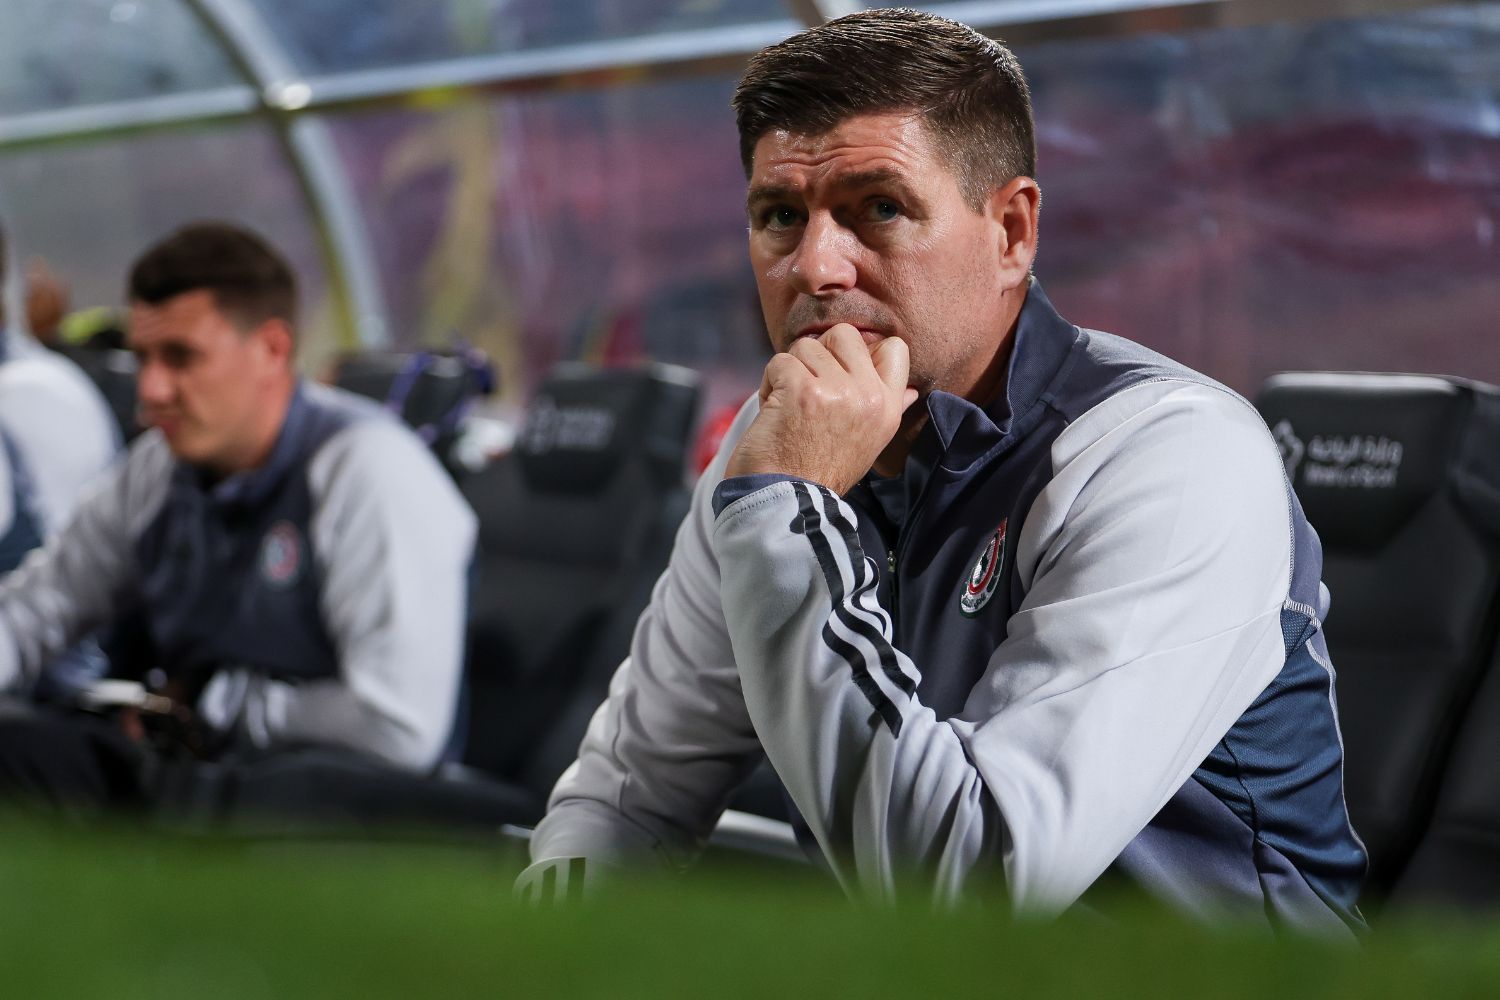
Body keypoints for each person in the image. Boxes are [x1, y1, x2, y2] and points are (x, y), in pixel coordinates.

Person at [518, 9, 1366, 933]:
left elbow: (973, 886)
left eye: (878, 207)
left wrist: (787, 513)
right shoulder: (777, 444)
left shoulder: (1170, 453)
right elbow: (626, 796)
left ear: (1011, 231)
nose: (815, 267)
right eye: (778, 217)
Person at [0, 221, 476, 817]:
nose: (150, 390)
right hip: (202, 780)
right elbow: (34, 613)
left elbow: (399, 727)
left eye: (181, 357)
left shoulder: (367, 470)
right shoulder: (158, 467)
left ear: (272, 350)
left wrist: (216, 700)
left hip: (333, 819)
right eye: (143, 357)